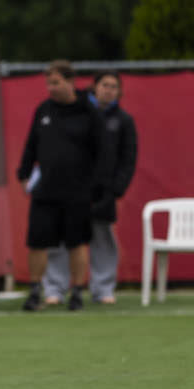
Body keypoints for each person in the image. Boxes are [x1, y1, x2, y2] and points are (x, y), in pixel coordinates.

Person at [43, 69, 140, 305]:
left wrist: (117, 188)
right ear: (94, 87)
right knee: (63, 237)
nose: (109, 90)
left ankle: (103, 288)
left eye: (113, 86)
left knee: (102, 236)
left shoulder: (123, 121)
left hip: (102, 190)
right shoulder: (80, 112)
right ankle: (55, 288)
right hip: (72, 186)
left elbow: (128, 158)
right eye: (104, 85)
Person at [16, 60, 106, 312]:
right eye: (48, 83)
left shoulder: (89, 112)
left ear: (70, 82)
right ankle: (35, 291)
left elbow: (102, 152)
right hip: (45, 189)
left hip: (77, 190)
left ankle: (76, 292)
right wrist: (23, 174)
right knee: (37, 242)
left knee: (76, 243)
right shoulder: (44, 110)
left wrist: (97, 186)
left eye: (55, 82)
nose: (51, 88)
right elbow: (31, 144)